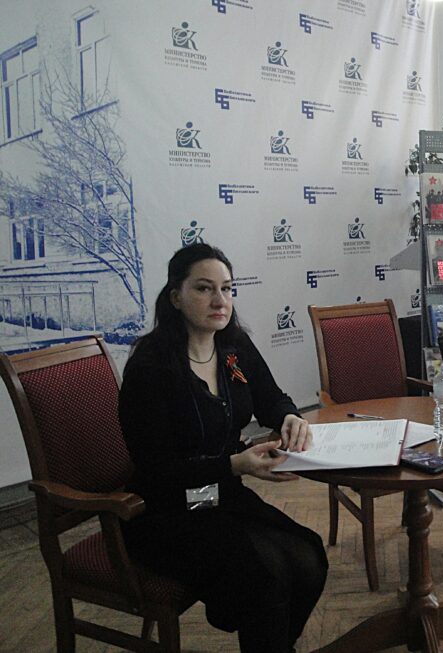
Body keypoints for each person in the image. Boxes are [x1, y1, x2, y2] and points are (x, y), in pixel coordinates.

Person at [118, 243, 327, 652]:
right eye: (204, 288)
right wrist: (234, 465)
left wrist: (290, 417)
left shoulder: (233, 346)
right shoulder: (150, 367)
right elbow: (158, 471)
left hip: (219, 496)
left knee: (309, 556)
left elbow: (271, 398)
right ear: (176, 297)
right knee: (264, 578)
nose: (220, 301)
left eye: (227, 289)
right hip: (163, 511)